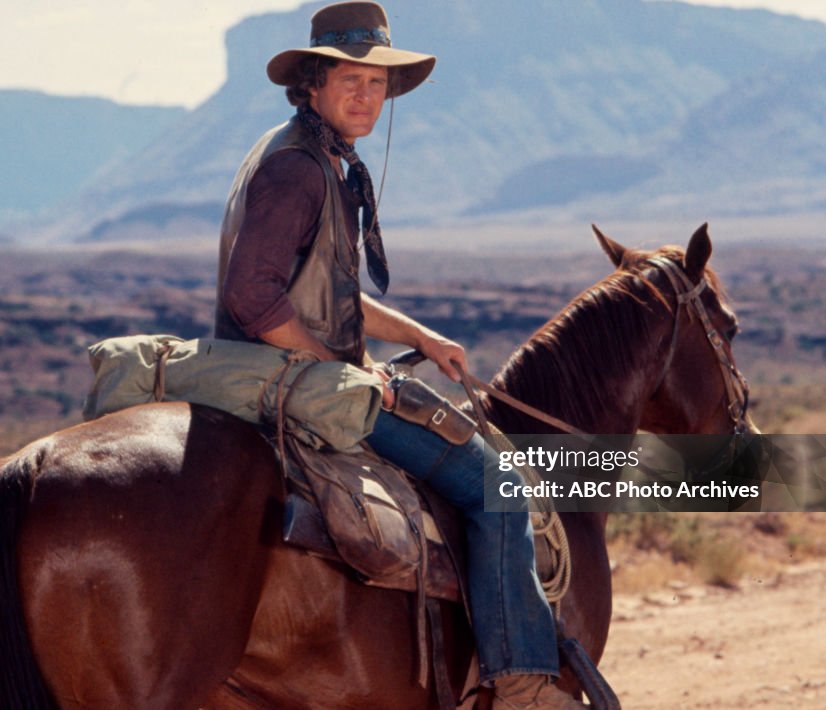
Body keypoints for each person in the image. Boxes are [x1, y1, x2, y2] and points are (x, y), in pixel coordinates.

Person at [215, 3, 565, 707]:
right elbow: (254, 298)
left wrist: (421, 339)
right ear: (313, 81)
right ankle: (523, 680)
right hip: (295, 381)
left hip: (299, 370)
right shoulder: (300, 170)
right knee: (499, 488)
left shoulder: (313, 157)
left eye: (377, 83)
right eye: (350, 78)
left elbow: (331, 291)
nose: (365, 95)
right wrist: (335, 365)